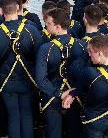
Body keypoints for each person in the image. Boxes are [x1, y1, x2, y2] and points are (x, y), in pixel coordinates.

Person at [0, 0, 42, 138]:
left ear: (1, 11)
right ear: (17, 7)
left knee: (13, 116)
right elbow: (39, 58)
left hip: (5, 81)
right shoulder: (32, 30)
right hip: (28, 80)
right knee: (27, 115)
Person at [35, 8, 84, 138]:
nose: (46, 25)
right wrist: (73, 92)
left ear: (57, 27)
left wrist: (59, 93)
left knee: (53, 133)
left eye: (49, 24)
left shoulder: (46, 48)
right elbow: (86, 75)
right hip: (74, 96)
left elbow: (40, 79)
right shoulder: (81, 45)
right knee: (74, 132)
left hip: (52, 96)